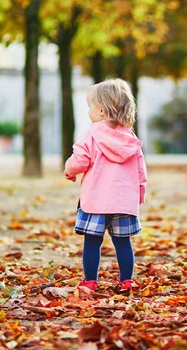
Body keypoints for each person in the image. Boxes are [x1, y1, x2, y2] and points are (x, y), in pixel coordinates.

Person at [64, 79, 148, 292]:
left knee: (92, 241)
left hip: (96, 201)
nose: (88, 112)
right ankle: (126, 280)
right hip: (123, 202)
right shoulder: (130, 137)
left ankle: (90, 281)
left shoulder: (92, 134)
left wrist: (69, 170)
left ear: (101, 111)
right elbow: (140, 170)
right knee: (123, 242)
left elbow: (80, 159)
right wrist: (139, 194)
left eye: (90, 107)